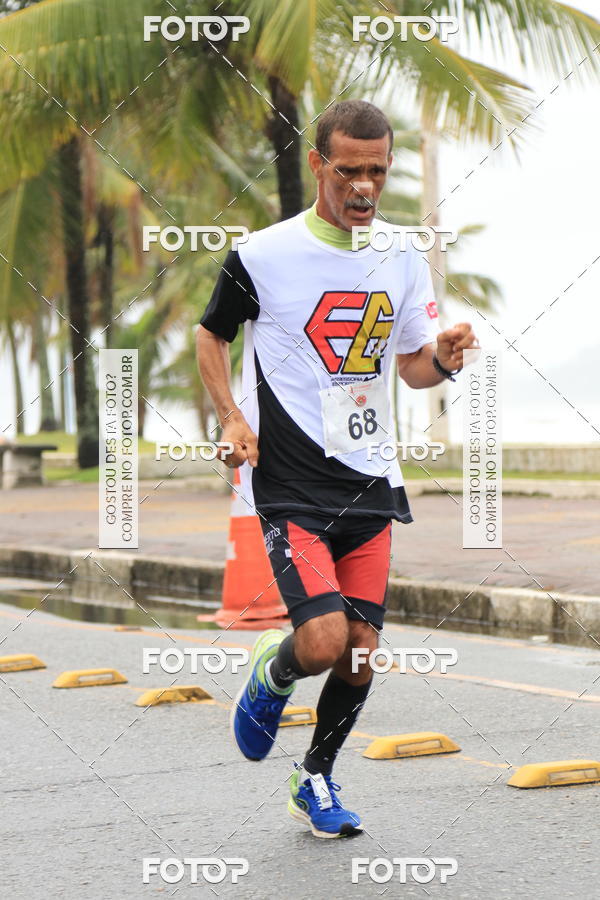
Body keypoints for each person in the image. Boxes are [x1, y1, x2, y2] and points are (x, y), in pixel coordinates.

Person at [197, 99, 477, 839]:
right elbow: (210, 334)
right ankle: (272, 671)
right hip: (291, 481)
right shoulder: (264, 254)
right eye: (348, 170)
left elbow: (412, 367)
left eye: (377, 171)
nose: (364, 186)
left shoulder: (402, 256)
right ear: (318, 164)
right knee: (320, 643)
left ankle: (315, 778)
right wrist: (231, 415)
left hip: (371, 481)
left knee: (359, 655)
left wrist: (442, 360)